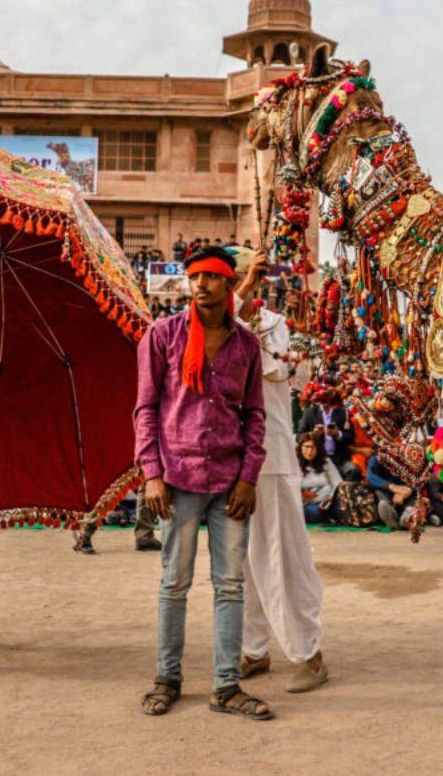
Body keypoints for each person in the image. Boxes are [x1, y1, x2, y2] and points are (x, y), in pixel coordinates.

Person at [134, 245, 271, 720]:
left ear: (229, 284)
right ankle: (166, 678)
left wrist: (249, 476)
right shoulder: (162, 336)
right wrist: (152, 473)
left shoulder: (247, 345)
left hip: (230, 480)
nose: (201, 285)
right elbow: (145, 409)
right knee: (174, 583)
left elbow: (254, 415)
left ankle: (226, 686)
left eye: (212, 277)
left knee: (230, 586)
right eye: (195, 277)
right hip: (178, 478)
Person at [231, 247, 329, 694]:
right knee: (239, 564)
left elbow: (280, 373)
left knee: (279, 557)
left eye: (232, 278)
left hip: (268, 458)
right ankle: (254, 649)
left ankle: (308, 653)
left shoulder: (274, 325)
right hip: (228, 462)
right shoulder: (212, 326)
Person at [295, 434, 341, 523]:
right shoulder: (294, 464)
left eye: (313, 447)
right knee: (314, 514)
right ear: (301, 448)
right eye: (307, 447)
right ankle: (327, 518)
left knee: (340, 509)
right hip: (309, 503)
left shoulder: (325, 461)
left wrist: (330, 496)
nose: (309, 451)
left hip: (328, 501)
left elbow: (337, 482)